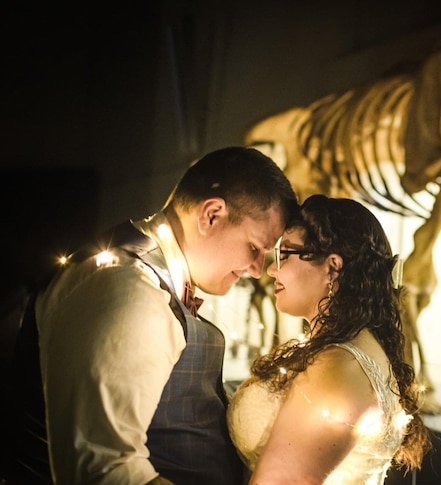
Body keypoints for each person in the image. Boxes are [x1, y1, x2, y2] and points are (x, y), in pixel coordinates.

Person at [0, 146, 299, 485]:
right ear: (211, 214)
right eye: (255, 247)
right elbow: (105, 469)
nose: (258, 270)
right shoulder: (127, 288)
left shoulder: (153, 281)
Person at [227, 194, 432, 484]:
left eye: (285, 254)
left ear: (333, 267)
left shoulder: (338, 368)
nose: (272, 269)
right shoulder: (341, 351)